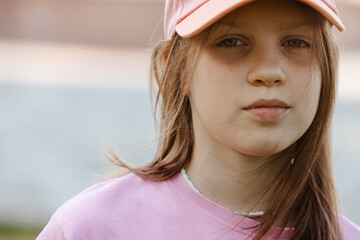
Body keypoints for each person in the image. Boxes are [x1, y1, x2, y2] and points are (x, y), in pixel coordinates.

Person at [37, 0, 360, 239]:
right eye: (232, 42)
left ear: (326, 66)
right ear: (175, 70)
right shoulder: (89, 228)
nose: (269, 71)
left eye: (295, 43)